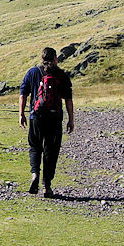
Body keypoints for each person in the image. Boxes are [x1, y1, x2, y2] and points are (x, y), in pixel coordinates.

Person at [18, 47, 74, 198]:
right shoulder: (61, 74)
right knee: (51, 150)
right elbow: (68, 98)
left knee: (35, 147)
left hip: (35, 117)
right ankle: (46, 186)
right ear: (55, 58)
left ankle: (34, 173)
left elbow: (23, 93)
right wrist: (71, 119)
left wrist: (21, 114)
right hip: (55, 118)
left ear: (42, 58)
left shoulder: (32, 72)